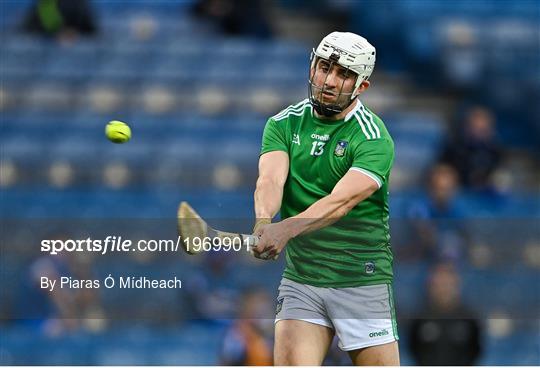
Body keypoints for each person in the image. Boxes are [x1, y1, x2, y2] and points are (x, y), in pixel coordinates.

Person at [252, 32, 398, 365]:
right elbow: (270, 179)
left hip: (360, 277)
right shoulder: (283, 124)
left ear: (361, 87)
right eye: (324, 67)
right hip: (303, 278)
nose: (329, 81)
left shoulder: (373, 137)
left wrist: (285, 229)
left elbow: (340, 202)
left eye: (344, 74)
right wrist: (264, 221)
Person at [408, 262, 482, 365]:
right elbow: (413, 349)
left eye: (447, 284)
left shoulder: (469, 318)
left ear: (456, 285)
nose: (444, 289)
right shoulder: (419, 318)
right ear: (431, 286)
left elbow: (476, 351)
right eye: (440, 284)